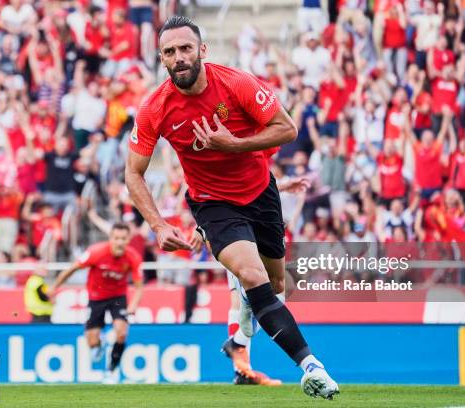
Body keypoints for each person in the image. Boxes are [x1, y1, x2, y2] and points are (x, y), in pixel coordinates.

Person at [125, 16, 339, 399]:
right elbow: (133, 173)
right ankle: (311, 366)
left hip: (260, 194)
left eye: (185, 49)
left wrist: (234, 144)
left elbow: (286, 129)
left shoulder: (236, 83)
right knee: (254, 276)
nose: (179, 58)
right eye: (170, 52)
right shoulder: (154, 108)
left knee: (275, 286)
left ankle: (241, 327)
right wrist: (157, 225)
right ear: (161, 59)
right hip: (213, 205)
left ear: (202, 51)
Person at [49, 223, 144, 383]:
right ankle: (97, 344)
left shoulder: (133, 257)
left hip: (118, 297)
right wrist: (54, 287)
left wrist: (133, 305)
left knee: (121, 332)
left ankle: (111, 370)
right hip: (96, 298)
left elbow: (139, 287)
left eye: (123, 239)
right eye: (116, 238)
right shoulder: (96, 252)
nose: (120, 242)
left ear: (129, 240)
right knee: (92, 341)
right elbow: (72, 269)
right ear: (110, 239)